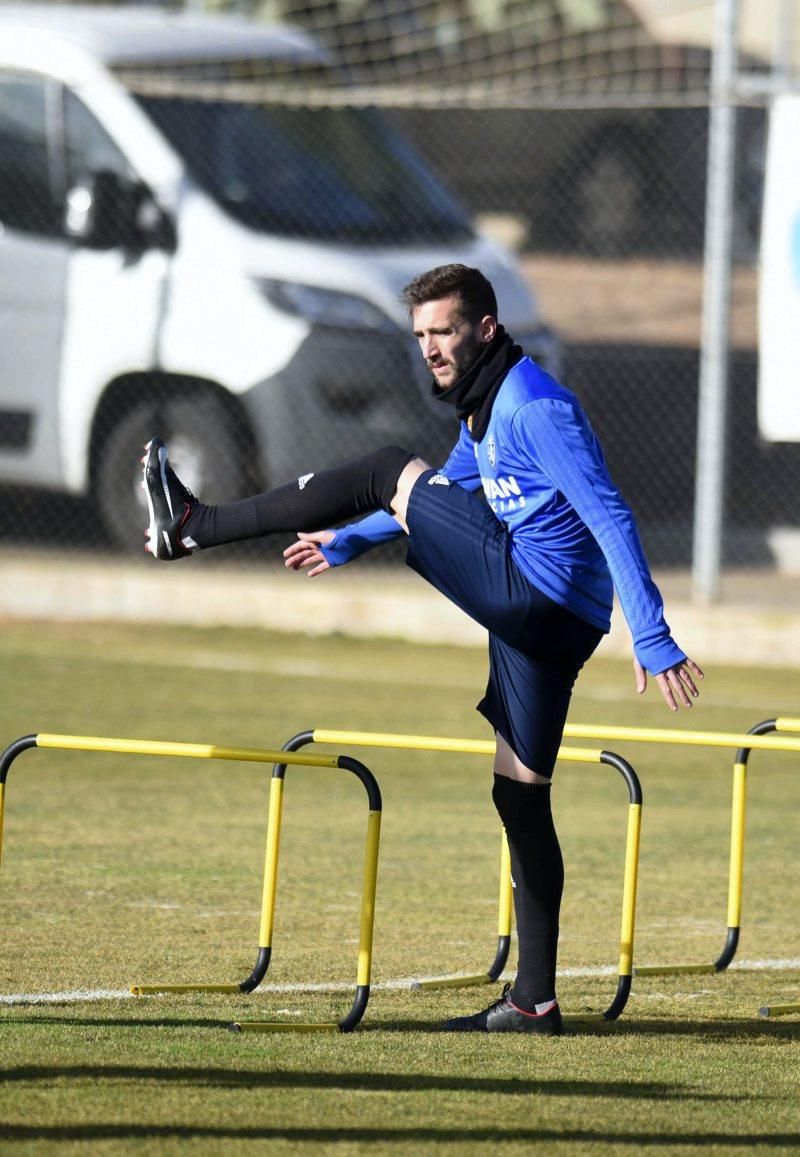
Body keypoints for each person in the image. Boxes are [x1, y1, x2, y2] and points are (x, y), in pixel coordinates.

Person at [142, 263, 702, 1036]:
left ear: (486, 329)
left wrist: (654, 633)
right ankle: (534, 1001)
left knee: (380, 466)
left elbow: (610, 515)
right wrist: (347, 540)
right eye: (421, 336)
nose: (431, 348)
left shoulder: (535, 406)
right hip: (540, 623)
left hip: (538, 598)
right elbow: (444, 491)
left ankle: (195, 524)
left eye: (444, 331)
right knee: (520, 794)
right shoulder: (481, 409)